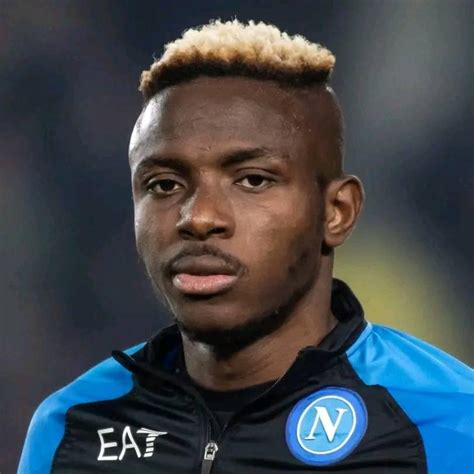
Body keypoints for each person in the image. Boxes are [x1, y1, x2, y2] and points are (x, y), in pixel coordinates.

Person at [19, 19, 472, 474]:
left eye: (252, 180)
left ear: (336, 211)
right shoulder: (72, 428)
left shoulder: (450, 421)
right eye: (164, 184)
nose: (198, 217)